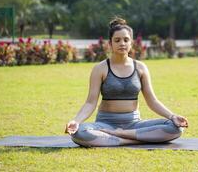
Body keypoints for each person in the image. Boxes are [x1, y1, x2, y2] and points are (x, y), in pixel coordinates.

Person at [65, 17, 189, 147]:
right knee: (80, 132)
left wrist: (173, 116)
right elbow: (90, 103)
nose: (122, 43)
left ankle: (121, 135)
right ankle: (132, 139)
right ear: (110, 44)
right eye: (117, 40)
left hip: (134, 124)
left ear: (131, 43)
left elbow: (152, 101)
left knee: (175, 127)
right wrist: (76, 121)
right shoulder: (100, 69)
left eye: (126, 40)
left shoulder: (140, 68)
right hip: (105, 124)